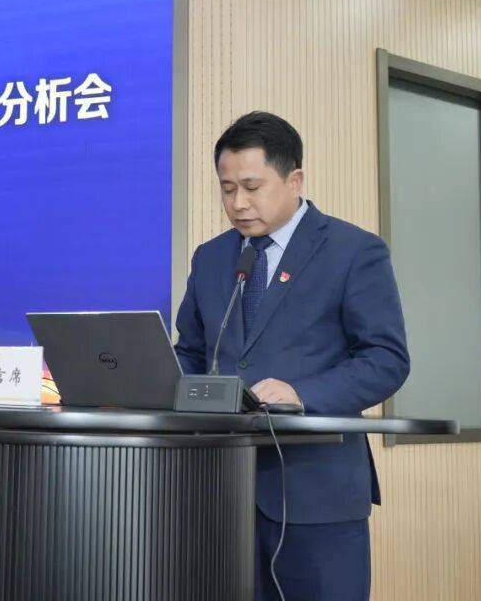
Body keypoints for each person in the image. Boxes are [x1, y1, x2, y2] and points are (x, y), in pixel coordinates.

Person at [174, 111, 410, 600]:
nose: (237, 203)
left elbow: (386, 358)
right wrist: (143, 377)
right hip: (221, 492)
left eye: (251, 187)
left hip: (317, 493)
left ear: (294, 180)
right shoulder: (212, 257)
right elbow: (192, 353)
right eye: (226, 189)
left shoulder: (353, 251)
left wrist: (302, 393)